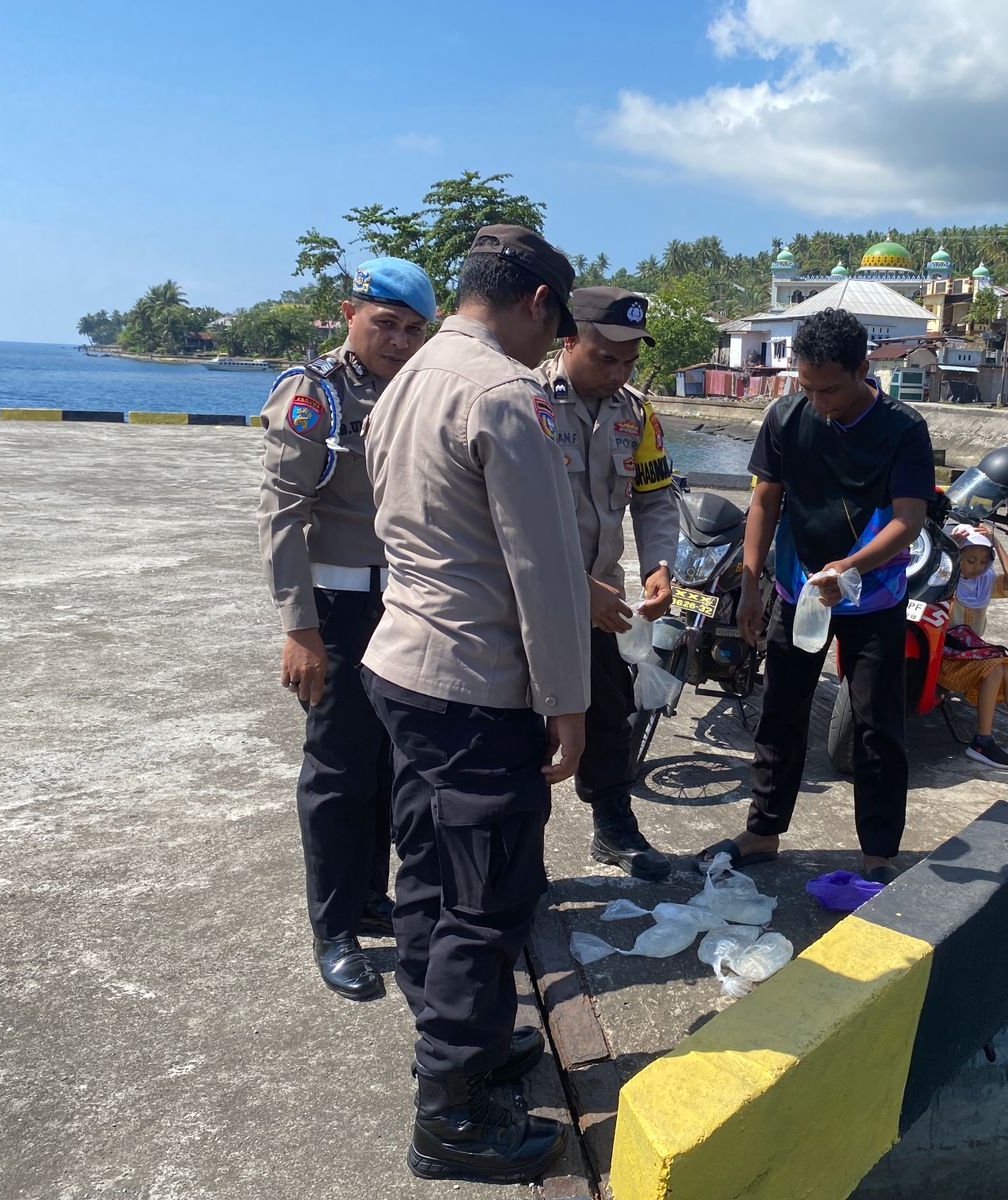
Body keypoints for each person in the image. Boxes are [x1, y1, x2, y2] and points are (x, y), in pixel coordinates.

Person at [360, 225, 587, 1183]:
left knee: (427, 869)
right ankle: (449, 1115)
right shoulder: (502, 392)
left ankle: (466, 1041)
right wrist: (568, 701)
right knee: (486, 901)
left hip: (404, 666)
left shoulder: (407, 376)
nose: (553, 346)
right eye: (556, 325)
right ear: (536, 302)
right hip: (474, 683)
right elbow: (544, 567)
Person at [697, 307, 935, 885]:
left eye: (830, 389)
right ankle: (763, 831)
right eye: (807, 387)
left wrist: (848, 568)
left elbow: (908, 520)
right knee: (781, 709)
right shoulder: (786, 415)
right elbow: (765, 501)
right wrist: (749, 587)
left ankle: (878, 851)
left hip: (873, 594)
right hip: (797, 586)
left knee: (877, 725)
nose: (819, 401)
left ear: (862, 369)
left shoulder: (903, 428)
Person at [257, 256, 435, 1002]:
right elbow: (281, 514)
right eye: (385, 324)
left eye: (413, 330)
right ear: (349, 313)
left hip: (403, 605)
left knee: (388, 765)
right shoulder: (316, 393)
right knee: (336, 771)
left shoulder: (418, 389)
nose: (398, 341)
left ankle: (367, 897)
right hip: (336, 609)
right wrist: (299, 629)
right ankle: (332, 929)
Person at [536, 288, 678, 881]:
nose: (619, 373)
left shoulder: (636, 413)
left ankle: (614, 826)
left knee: (610, 716)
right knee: (529, 723)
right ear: (569, 338)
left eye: (629, 362)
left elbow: (654, 498)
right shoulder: (528, 400)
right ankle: (523, 851)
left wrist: (659, 565)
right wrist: (574, 587)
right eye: (606, 358)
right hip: (533, 598)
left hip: (606, 598)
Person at [940, 524, 1008, 770]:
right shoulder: (946, 580)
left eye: (983, 561)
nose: (977, 567)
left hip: (972, 654)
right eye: (970, 560)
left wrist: (996, 543)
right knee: (996, 667)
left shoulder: (985, 583)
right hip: (945, 656)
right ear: (958, 558)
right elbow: (938, 570)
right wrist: (950, 549)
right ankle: (982, 741)